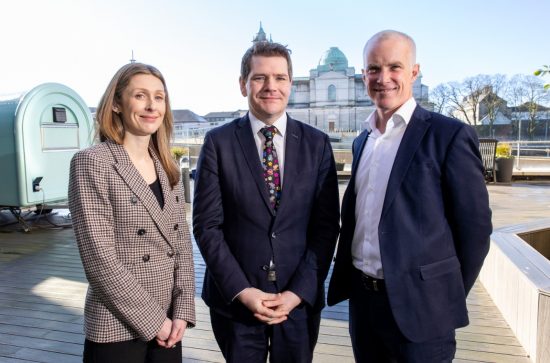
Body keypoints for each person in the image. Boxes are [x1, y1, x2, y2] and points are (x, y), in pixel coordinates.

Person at [327, 30, 493, 362]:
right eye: (374, 69)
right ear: (363, 75)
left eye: (394, 67)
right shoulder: (363, 141)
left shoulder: (448, 135)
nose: (383, 78)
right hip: (364, 306)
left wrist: (441, 299)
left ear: (414, 72)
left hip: (423, 314)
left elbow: (475, 233)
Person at [192, 41, 340, 363]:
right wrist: (243, 292)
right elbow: (207, 226)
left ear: (290, 83)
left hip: (297, 303)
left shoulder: (317, 144)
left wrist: (297, 292)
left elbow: (326, 228)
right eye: (259, 78)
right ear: (243, 83)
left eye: (280, 77)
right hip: (236, 302)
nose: (270, 86)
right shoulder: (218, 143)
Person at [68, 63, 196, 363]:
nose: (152, 106)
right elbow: (99, 259)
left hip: (169, 325)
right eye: (140, 96)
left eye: (159, 97)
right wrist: (155, 321)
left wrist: (182, 311)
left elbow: (182, 246)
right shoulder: (93, 163)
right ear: (116, 104)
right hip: (117, 325)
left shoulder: (170, 168)